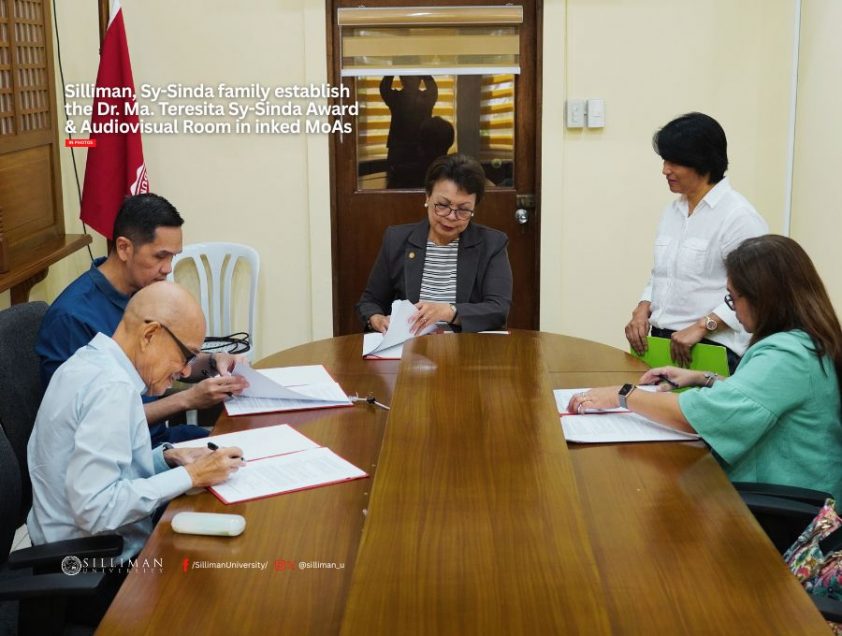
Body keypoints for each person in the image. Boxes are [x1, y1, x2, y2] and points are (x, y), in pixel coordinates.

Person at [27, 282, 244, 620]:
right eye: (186, 355)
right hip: (91, 570)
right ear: (149, 335)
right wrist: (192, 475)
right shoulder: (111, 390)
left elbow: (110, 474)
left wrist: (168, 458)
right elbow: (97, 509)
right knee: (222, 593)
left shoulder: (89, 362)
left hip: (72, 551)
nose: (186, 371)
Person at [572, 235, 842, 499]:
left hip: (785, 505)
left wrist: (623, 395)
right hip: (787, 492)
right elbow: (759, 398)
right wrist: (704, 378)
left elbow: (700, 415)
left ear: (761, 298)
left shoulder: (787, 355)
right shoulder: (808, 340)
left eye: (732, 298)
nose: (732, 309)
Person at [36, 193, 248, 444]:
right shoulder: (71, 318)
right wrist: (186, 400)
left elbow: (172, 361)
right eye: (160, 256)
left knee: (248, 444)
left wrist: (213, 362)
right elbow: (88, 422)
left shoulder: (143, 291)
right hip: (124, 450)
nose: (168, 268)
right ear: (124, 248)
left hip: (158, 438)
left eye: (172, 257)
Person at [625, 112, 768, 373]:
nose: (665, 170)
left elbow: (758, 290)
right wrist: (643, 307)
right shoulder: (672, 211)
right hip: (660, 342)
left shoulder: (738, 217)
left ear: (703, 162)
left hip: (710, 346)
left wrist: (704, 325)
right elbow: (662, 274)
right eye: (665, 161)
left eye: (674, 162)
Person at [356, 154, 512, 334]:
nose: (451, 217)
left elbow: (498, 309)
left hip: (466, 346)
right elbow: (370, 302)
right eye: (443, 205)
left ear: (474, 208)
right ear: (427, 197)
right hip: (411, 346)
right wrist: (376, 318)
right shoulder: (397, 240)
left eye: (463, 210)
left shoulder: (492, 244)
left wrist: (449, 311)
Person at [380, 75, 438, 188]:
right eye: (407, 77)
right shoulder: (426, 98)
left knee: (412, 185)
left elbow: (384, 88)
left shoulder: (397, 98)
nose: (409, 80)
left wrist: (393, 70)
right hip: (405, 149)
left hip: (412, 149)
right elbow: (384, 88)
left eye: (412, 77)